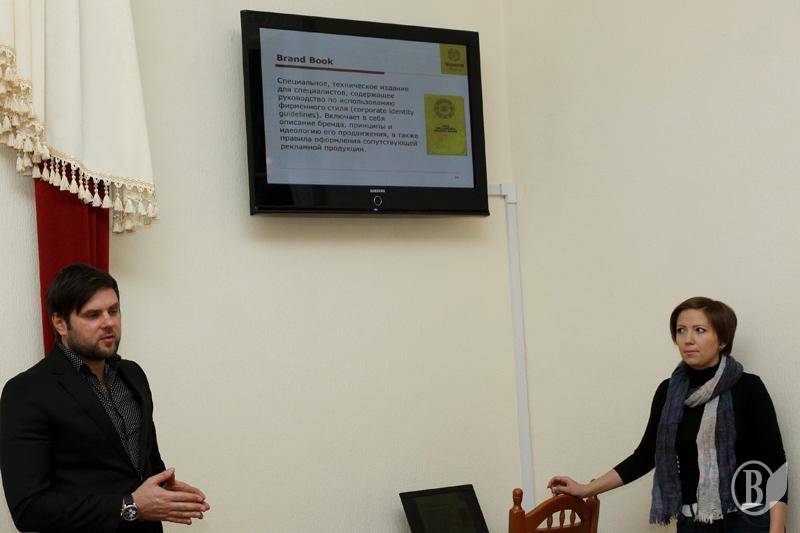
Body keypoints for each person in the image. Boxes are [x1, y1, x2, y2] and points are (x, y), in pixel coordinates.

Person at [547, 297, 787, 532]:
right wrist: (585, 489)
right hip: (693, 522)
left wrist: (776, 528)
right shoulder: (668, 392)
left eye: (699, 330)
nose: (688, 339)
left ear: (723, 339)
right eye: (681, 330)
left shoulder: (748, 388)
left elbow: (775, 463)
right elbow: (645, 456)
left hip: (748, 521)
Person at [1, 264, 211, 532]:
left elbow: (144, 462)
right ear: (60, 323)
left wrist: (164, 491)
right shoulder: (26, 391)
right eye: (93, 315)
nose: (108, 322)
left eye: (113, 310)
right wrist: (131, 505)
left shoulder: (133, 374)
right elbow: (29, 510)